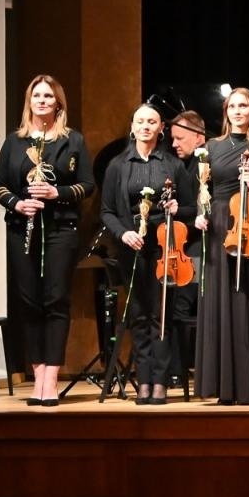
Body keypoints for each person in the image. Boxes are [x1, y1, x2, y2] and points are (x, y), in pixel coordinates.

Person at [0, 75, 95, 406]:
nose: (43, 101)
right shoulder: (14, 142)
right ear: (29, 101)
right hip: (23, 228)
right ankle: (37, 377)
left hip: (61, 228)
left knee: (55, 300)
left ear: (58, 103)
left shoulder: (72, 141)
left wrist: (56, 193)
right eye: (37, 95)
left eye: (49, 96)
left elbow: (87, 185)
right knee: (30, 301)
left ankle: (50, 378)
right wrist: (18, 203)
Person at [100, 102, 193, 405]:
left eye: (152, 122)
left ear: (161, 128)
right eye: (140, 121)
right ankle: (144, 378)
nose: (145, 127)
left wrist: (178, 209)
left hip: (164, 249)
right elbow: (108, 211)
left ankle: (161, 381)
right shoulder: (118, 165)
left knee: (160, 316)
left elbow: (191, 208)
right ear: (132, 126)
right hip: (132, 248)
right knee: (139, 316)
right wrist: (123, 233)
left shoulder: (172, 165)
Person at [195, 87, 249, 406]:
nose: (239, 111)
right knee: (220, 298)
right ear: (226, 111)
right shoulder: (211, 147)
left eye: (245, 106)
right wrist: (200, 215)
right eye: (233, 106)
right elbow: (200, 189)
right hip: (218, 225)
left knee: (246, 299)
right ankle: (222, 384)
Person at [166, 110, 208, 389]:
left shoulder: (206, 164)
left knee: (180, 306)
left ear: (199, 138)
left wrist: (179, 209)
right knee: (176, 306)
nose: (174, 144)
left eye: (180, 138)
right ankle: (177, 370)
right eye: (172, 138)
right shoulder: (184, 165)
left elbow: (205, 206)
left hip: (200, 249)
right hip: (187, 246)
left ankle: (179, 371)